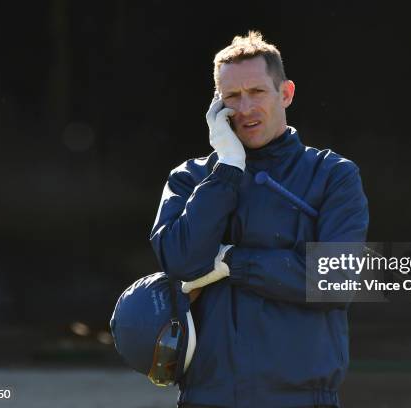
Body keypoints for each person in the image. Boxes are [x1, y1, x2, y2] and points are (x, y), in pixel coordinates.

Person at [150, 31, 369, 408]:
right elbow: (181, 261)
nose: (246, 107)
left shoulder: (334, 175)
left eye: (257, 92)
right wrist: (228, 168)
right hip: (207, 398)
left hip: (302, 399)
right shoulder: (190, 178)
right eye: (232, 97)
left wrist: (232, 261)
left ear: (286, 93)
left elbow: (335, 279)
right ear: (216, 106)